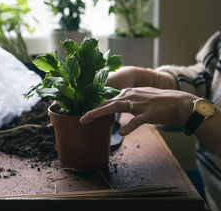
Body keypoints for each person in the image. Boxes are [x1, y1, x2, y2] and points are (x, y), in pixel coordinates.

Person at [80, 31, 221, 211]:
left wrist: (184, 109)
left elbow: (193, 104)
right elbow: (210, 78)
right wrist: (152, 79)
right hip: (209, 191)